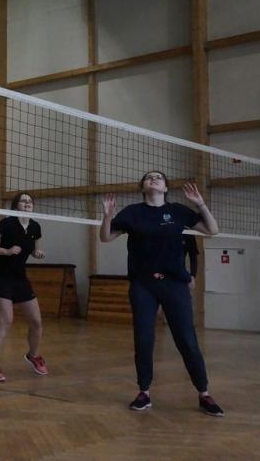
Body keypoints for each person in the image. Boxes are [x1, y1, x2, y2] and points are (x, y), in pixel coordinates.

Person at [99, 171, 224, 417]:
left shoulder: (178, 211)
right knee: (144, 339)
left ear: (166, 187)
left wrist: (200, 204)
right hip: (143, 285)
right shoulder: (132, 213)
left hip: (174, 284)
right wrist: (107, 216)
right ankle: (143, 392)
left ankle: (204, 393)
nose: (153, 179)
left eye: (158, 177)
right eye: (149, 178)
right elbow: (105, 237)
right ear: (143, 187)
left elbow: (213, 230)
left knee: (186, 339)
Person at [0, 192, 47, 382]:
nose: (27, 203)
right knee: (5, 320)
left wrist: (37, 253)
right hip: (1, 276)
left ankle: (33, 356)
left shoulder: (35, 226)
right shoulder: (7, 223)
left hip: (20, 278)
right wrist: (5, 251)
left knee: (36, 322)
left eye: (30, 201)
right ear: (16, 205)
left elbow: (33, 249)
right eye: (23, 201)